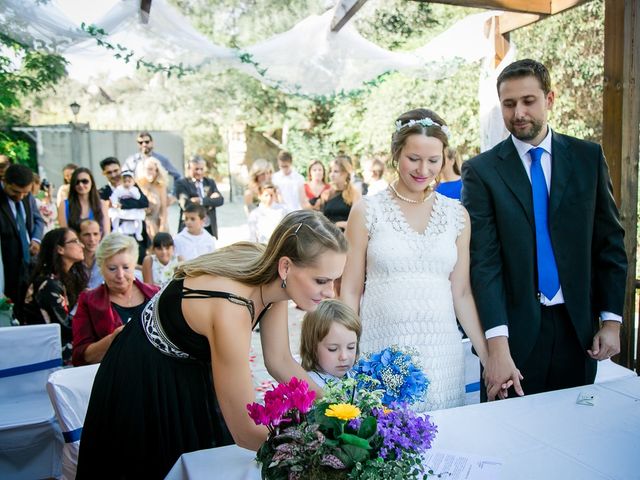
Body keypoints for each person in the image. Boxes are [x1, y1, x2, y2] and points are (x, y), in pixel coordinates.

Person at [76, 210, 348, 479]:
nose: (330, 292)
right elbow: (244, 431)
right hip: (143, 375)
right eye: (321, 281)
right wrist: (328, 450)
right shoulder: (232, 308)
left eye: (334, 280)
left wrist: (343, 412)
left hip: (188, 366)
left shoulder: (275, 278)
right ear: (286, 266)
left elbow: (279, 361)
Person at [461, 59, 627, 400]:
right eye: (509, 104)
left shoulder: (588, 157)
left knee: (574, 433)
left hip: (577, 331)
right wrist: (496, 346)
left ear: (549, 99)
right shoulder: (482, 171)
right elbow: (484, 262)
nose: (519, 112)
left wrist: (611, 321)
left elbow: (609, 242)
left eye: (528, 101)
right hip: (513, 337)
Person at [340, 108, 493, 412]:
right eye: (414, 158)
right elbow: (350, 290)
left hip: (441, 352)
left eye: (433, 160)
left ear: (444, 159)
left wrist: (488, 357)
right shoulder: (366, 210)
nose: (424, 169)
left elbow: (461, 292)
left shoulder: (457, 215)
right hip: (382, 347)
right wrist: (346, 349)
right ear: (396, 154)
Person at [72, 233, 160, 367]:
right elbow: (81, 356)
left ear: (134, 265)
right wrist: (113, 339)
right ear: (101, 268)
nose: (120, 275)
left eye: (126, 267)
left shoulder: (156, 294)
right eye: (112, 268)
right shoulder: (88, 301)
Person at [23, 228, 87, 364]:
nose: (81, 245)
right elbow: (65, 328)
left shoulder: (62, 279)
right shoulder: (49, 284)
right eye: (75, 241)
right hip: (46, 353)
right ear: (60, 249)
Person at [0, 164, 45, 321]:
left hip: (29, 263)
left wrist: (36, 239)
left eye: (25, 193)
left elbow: (38, 220)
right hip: (7, 265)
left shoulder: (28, 197)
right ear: (5, 182)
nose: (20, 197)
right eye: (15, 192)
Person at [99, 157, 150, 264]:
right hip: (117, 236)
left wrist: (120, 204)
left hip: (137, 236)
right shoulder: (103, 193)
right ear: (104, 174)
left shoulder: (132, 185)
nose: (114, 175)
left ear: (121, 169)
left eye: (116, 171)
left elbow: (144, 203)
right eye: (109, 172)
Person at [299, 299, 361, 388]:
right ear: (312, 346)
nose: (344, 357)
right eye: (333, 349)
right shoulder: (309, 384)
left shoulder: (357, 376)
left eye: (351, 347)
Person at [175, 156, 224, 239]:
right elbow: (185, 204)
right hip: (189, 228)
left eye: (201, 169)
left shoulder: (209, 182)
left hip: (208, 227)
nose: (199, 172)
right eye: (196, 169)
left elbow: (220, 200)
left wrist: (201, 201)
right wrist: (210, 202)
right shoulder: (182, 183)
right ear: (189, 169)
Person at [58, 167, 109, 236]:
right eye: (77, 182)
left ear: (92, 183)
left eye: (85, 181)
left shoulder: (102, 204)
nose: (81, 185)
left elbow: (106, 234)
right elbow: (64, 234)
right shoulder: (64, 205)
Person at [319, 156, 361, 231]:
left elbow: (359, 220)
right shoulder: (326, 194)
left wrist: (344, 224)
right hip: (329, 235)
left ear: (345, 173)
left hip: (347, 235)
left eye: (336, 171)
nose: (332, 174)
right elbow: (320, 219)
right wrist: (336, 224)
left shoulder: (354, 194)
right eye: (330, 171)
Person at [136, 156, 169, 239]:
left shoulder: (160, 186)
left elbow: (164, 208)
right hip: (141, 223)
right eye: (148, 169)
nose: (151, 172)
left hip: (157, 221)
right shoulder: (138, 184)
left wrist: (162, 225)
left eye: (154, 170)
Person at [108, 170, 146, 241]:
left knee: (139, 220)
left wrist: (131, 190)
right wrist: (115, 203)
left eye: (129, 181)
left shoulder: (135, 189)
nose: (127, 183)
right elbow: (114, 196)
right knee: (115, 216)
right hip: (122, 208)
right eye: (125, 181)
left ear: (133, 182)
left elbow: (138, 197)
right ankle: (115, 229)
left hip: (133, 209)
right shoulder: (119, 189)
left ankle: (138, 233)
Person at [78, 219, 104, 289]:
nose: (92, 239)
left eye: (95, 234)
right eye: (87, 235)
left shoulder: (108, 259)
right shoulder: (73, 261)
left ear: (100, 235)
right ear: (79, 236)